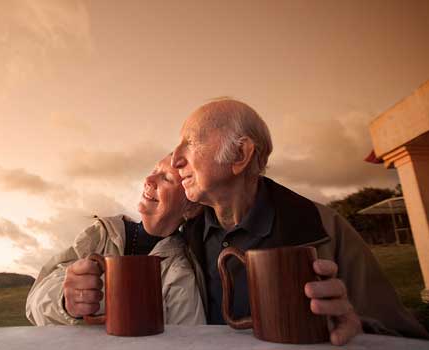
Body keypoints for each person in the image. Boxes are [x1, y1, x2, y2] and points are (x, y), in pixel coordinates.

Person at [170, 98, 429, 344]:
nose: (175, 159)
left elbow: (404, 337)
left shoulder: (325, 227)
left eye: (191, 142)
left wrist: (359, 330)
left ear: (240, 154)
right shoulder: (185, 236)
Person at [25, 154, 206, 326]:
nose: (149, 180)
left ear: (190, 208)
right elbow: (34, 304)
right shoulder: (102, 235)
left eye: (166, 178)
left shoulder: (179, 272)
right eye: (154, 170)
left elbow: (188, 340)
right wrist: (64, 301)